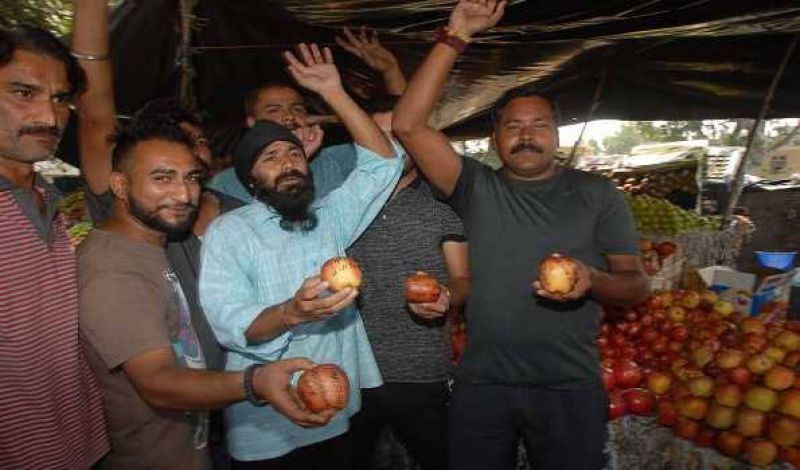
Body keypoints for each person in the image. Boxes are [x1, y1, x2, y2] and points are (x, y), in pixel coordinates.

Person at [392, 1, 650, 469]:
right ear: (495, 141)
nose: (526, 135)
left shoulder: (597, 193)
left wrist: (592, 280)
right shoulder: (475, 187)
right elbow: (407, 124)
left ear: (557, 136)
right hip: (483, 385)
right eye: (513, 126)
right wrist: (456, 34)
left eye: (539, 125)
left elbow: (636, 286)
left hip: (571, 386)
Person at [78, 117, 333, 470]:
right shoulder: (113, 270)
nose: (184, 195)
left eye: (192, 178)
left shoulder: (153, 247)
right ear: (120, 185)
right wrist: (256, 381)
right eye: (162, 178)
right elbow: (157, 382)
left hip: (191, 447)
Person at [199, 43, 404, 468]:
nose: (288, 162)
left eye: (294, 154)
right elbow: (230, 321)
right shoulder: (230, 231)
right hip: (266, 417)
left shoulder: (328, 217)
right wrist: (292, 312)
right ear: (250, 180)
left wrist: (334, 92)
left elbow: (384, 163)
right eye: (270, 157)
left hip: (335, 400)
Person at [0, 25, 109, 468]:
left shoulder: (53, 198)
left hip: (81, 443)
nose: (49, 116)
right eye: (23, 93)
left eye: (61, 99)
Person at [345, 95, 470, 470]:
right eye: (376, 135)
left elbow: (464, 278)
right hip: (350, 372)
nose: (387, 147)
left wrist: (448, 296)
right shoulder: (341, 205)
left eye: (397, 136)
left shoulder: (443, 205)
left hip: (421, 374)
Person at [209, 27, 404, 204]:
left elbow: (399, 141)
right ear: (251, 121)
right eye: (274, 110)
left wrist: (390, 71)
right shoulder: (226, 184)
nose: (288, 116)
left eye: (297, 109)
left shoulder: (335, 159)